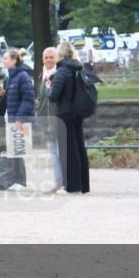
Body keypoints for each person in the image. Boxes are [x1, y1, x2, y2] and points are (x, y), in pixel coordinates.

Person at [47, 41, 90, 194]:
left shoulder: (62, 71)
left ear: (60, 54)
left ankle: (72, 186)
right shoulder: (78, 68)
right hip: (78, 113)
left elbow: (54, 96)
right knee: (79, 148)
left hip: (65, 114)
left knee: (68, 151)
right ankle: (83, 185)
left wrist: (48, 88)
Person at [2, 48, 34, 190]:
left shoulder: (22, 76)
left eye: (6, 58)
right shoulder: (11, 77)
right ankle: (15, 180)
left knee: (18, 149)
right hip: (12, 117)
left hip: (19, 119)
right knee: (13, 150)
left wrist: (20, 119)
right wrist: (3, 94)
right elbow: (14, 96)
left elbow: (28, 99)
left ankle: (20, 182)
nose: (4, 61)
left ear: (14, 60)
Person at [37, 47, 63, 194]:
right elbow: (41, 99)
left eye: (51, 57)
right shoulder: (42, 75)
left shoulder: (58, 75)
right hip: (45, 121)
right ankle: (58, 182)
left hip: (57, 119)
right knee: (53, 153)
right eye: (46, 57)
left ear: (57, 58)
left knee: (61, 152)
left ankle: (64, 183)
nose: (48, 60)